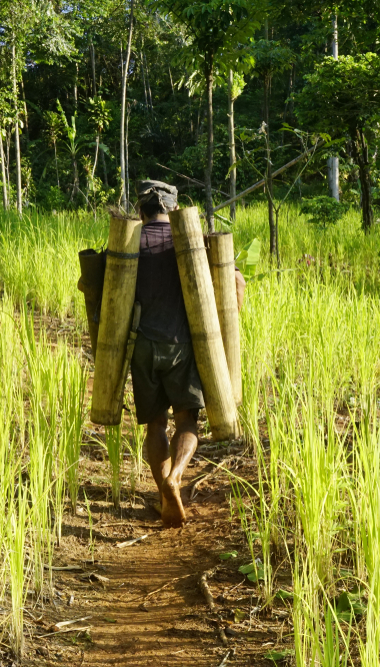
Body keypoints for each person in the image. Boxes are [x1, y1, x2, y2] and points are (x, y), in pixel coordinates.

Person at [130, 180, 244, 528]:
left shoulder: (128, 242)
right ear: (175, 209)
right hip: (182, 346)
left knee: (155, 424)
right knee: (187, 422)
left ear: (140, 210)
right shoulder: (191, 242)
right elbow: (235, 285)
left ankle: (164, 493)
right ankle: (176, 476)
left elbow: (96, 289)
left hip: (143, 348)